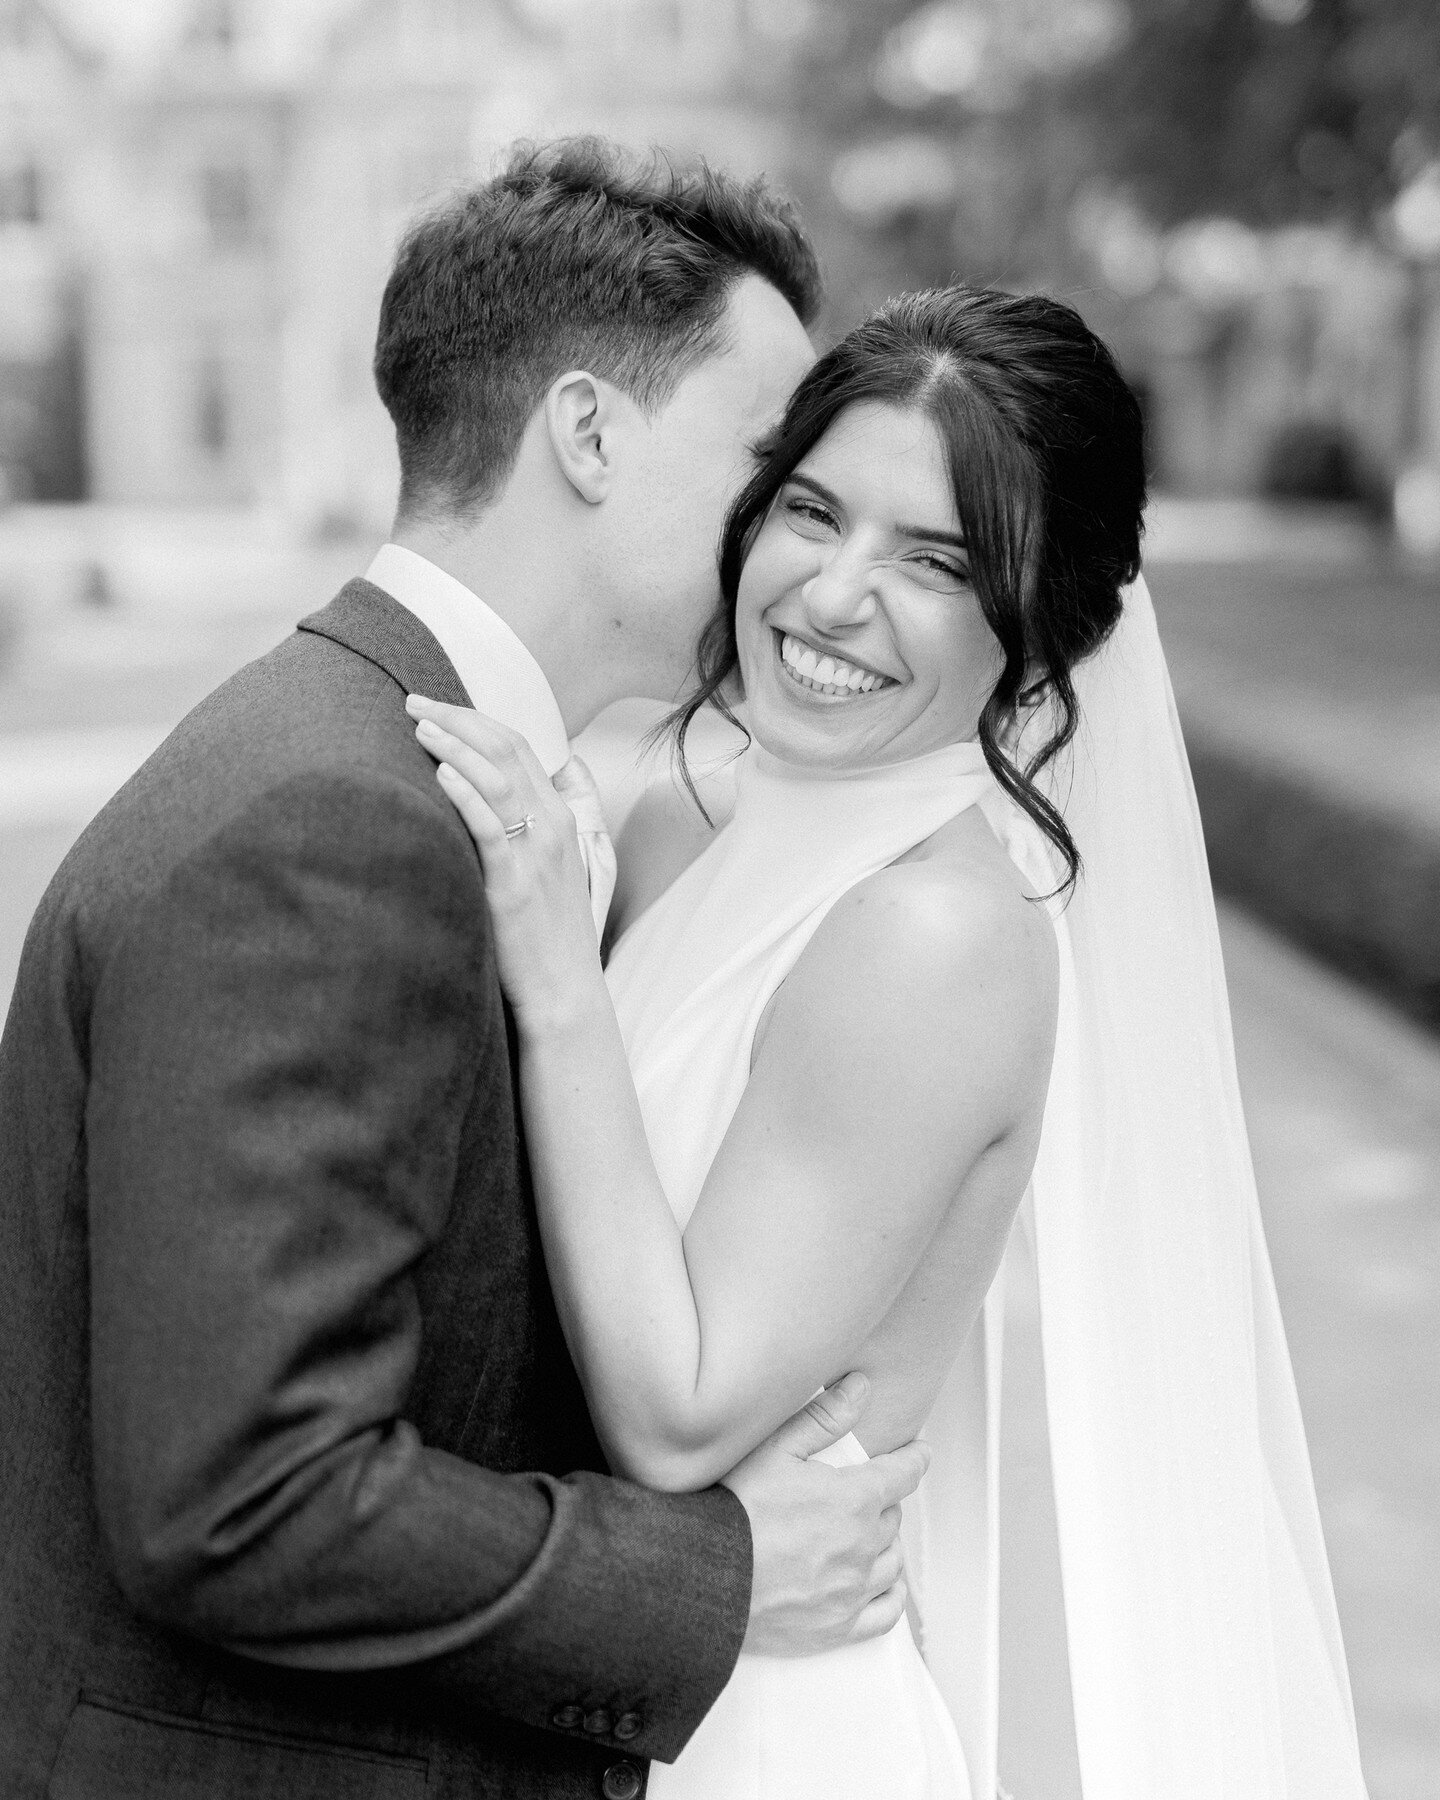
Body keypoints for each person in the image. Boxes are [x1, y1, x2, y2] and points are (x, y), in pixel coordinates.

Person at [0, 141, 932, 1800]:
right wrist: (716, 1580)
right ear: (586, 431)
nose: (790, 539)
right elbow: (246, 1494)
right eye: (769, 460)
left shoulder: (408, 770)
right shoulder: (333, 828)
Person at [413, 286, 1373, 1798]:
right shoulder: (677, 813)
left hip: (759, 1730)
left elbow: (679, 1416)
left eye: (935, 561)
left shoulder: (939, 938)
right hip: (582, 1687)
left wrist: (560, 987)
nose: (831, 594)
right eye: (812, 509)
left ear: (1040, 627)